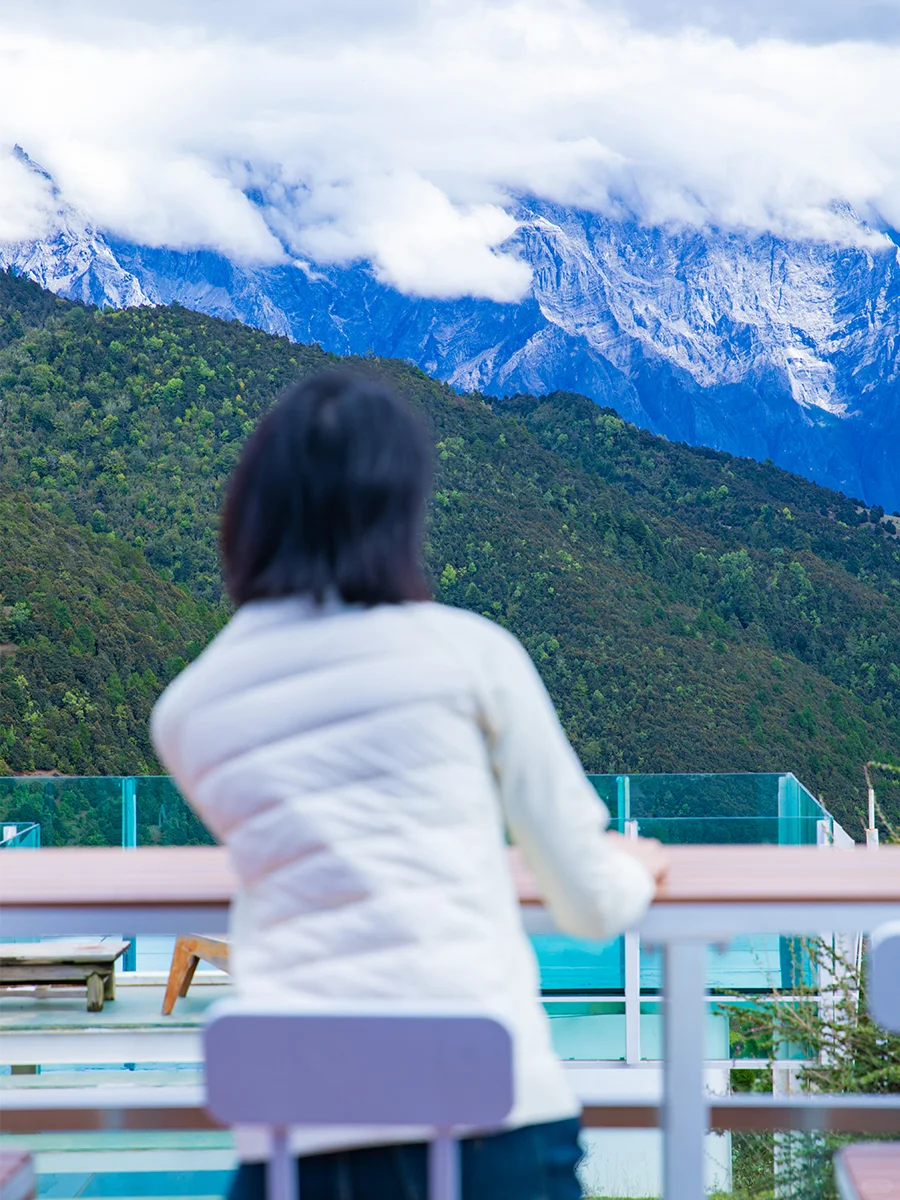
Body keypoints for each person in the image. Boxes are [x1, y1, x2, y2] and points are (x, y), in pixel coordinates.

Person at [150, 370, 666, 1200]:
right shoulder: (471, 655)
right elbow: (589, 904)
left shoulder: (188, 714)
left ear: (248, 517)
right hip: (493, 1128)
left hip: (294, 1145)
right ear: (399, 514)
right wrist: (637, 862)